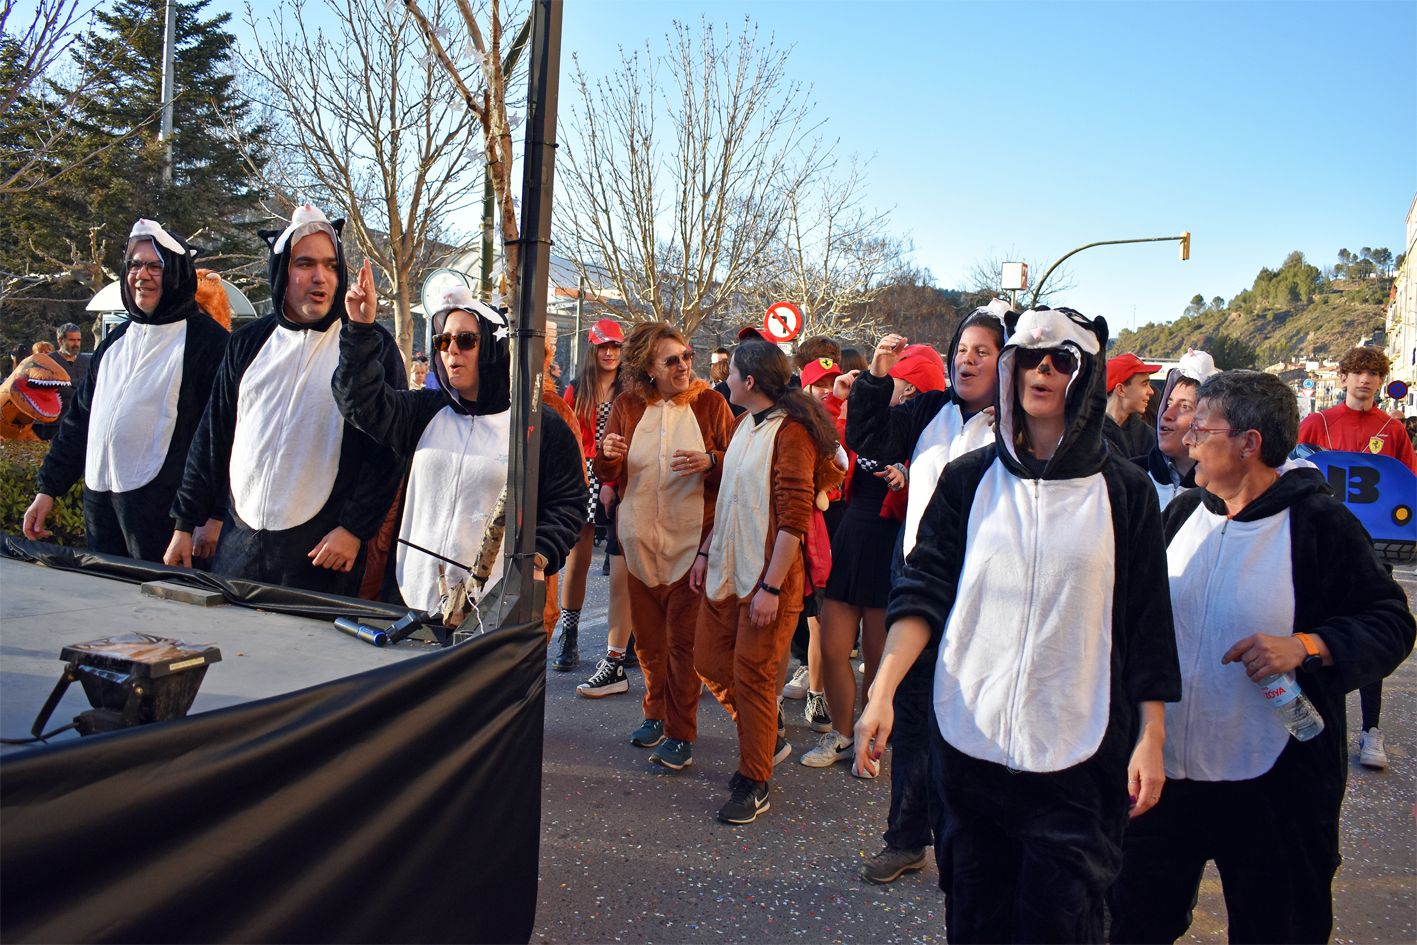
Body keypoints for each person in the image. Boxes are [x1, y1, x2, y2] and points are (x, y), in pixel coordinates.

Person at [856, 306, 1180, 943]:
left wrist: (1152, 735)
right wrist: (883, 689)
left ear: (1083, 376)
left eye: (1061, 360)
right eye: (1029, 358)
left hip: (1078, 759)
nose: (1043, 371)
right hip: (970, 748)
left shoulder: (1125, 492)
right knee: (973, 920)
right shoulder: (967, 479)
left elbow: (1149, 620)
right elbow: (922, 589)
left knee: (1061, 923)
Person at [1108, 370, 1415, 944]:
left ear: (1250, 443)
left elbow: (1391, 621)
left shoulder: (1320, 524)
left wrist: (1306, 646)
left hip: (1274, 787)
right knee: (1130, 923)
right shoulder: (1180, 516)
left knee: (1277, 927)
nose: (1189, 438)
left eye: (1203, 426)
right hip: (1164, 776)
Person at [841, 302, 1012, 885]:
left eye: (982, 352)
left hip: (985, 600)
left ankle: (973, 844)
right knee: (911, 717)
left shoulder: (1019, 428)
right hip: (915, 583)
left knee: (969, 721)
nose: (968, 360)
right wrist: (877, 377)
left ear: (1005, 361)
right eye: (961, 350)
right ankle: (906, 838)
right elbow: (868, 436)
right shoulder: (931, 411)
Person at [165, 204, 404, 596]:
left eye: (330, 265)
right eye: (304, 263)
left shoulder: (370, 345)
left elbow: (387, 450)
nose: (319, 277)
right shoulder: (246, 343)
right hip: (239, 548)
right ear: (281, 271)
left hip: (322, 555)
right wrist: (185, 523)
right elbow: (212, 436)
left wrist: (353, 529)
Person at [333, 270, 583, 611]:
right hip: (411, 596)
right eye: (442, 340)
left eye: (466, 340)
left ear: (494, 348)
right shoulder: (424, 411)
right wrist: (360, 330)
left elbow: (567, 502)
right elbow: (361, 405)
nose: (452, 350)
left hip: (491, 607)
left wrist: (537, 556)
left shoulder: (540, 425)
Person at [690, 340, 843, 824]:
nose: (725, 378)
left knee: (753, 678)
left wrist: (772, 588)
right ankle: (767, 738)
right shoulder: (742, 425)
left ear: (750, 382)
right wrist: (703, 551)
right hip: (726, 571)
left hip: (766, 581)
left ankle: (755, 781)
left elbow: (795, 517)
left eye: (731, 372)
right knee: (709, 662)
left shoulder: (791, 433)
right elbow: (730, 496)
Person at [23, 219, 228, 561]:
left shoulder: (211, 343)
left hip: (169, 520)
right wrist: (48, 490)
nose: (141, 275)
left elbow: (224, 438)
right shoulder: (114, 341)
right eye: (134, 264)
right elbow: (79, 423)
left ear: (176, 271)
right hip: (102, 508)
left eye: (154, 266)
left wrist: (214, 515)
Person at [590, 322, 734, 766]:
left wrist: (711, 460)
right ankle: (654, 714)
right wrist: (607, 455)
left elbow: (739, 465)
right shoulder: (627, 405)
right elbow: (608, 474)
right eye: (672, 360)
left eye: (687, 357)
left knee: (684, 646)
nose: (684, 366)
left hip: (691, 545)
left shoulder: (711, 404)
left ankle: (681, 733)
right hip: (637, 543)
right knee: (650, 646)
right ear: (647, 367)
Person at [805, 343, 948, 781]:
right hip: (852, 531)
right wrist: (845, 390)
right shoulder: (871, 411)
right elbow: (832, 430)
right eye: (898, 381)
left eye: (907, 382)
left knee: (876, 652)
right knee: (832, 646)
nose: (900, 389)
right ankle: (842, 732)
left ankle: (867, 735)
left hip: (891, 538)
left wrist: (905, 479)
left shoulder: (925, 427)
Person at [1296, 345, 1415, 771]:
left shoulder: (1393, 430)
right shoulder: (1316, 424)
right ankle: (1314, 724)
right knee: (1315, 632)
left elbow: (1407, 487)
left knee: (1366, 630)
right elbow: (1292, 472)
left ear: (1381, 381)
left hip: (1373, 547)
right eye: (1357, 372)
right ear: (1344, 377)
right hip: (1323, 541)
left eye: (1373, 373)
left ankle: (1371, 731)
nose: (1365, 380)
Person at [553, 317, 631, 671]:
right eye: (604, 346)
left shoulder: (629, 389)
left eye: (616, 346)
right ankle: (568, 637)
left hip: (620, 474)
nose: (611, 352)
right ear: (593, 349)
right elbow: (567, 438)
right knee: (577, 560)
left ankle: (626, 640)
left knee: (623, 564)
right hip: (584, 475)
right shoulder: (576, 387)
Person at [1133, 348, 1219, 511]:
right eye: (1169, 403)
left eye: (1185, 406)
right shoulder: (1132, 475)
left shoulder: (1224, 491)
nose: (1167, 415)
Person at [1103, 352, 1161, 458]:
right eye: (1144, 384)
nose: (1151, 391)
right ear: (1121, 389)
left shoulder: (1151, 438)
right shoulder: (1087, 436)